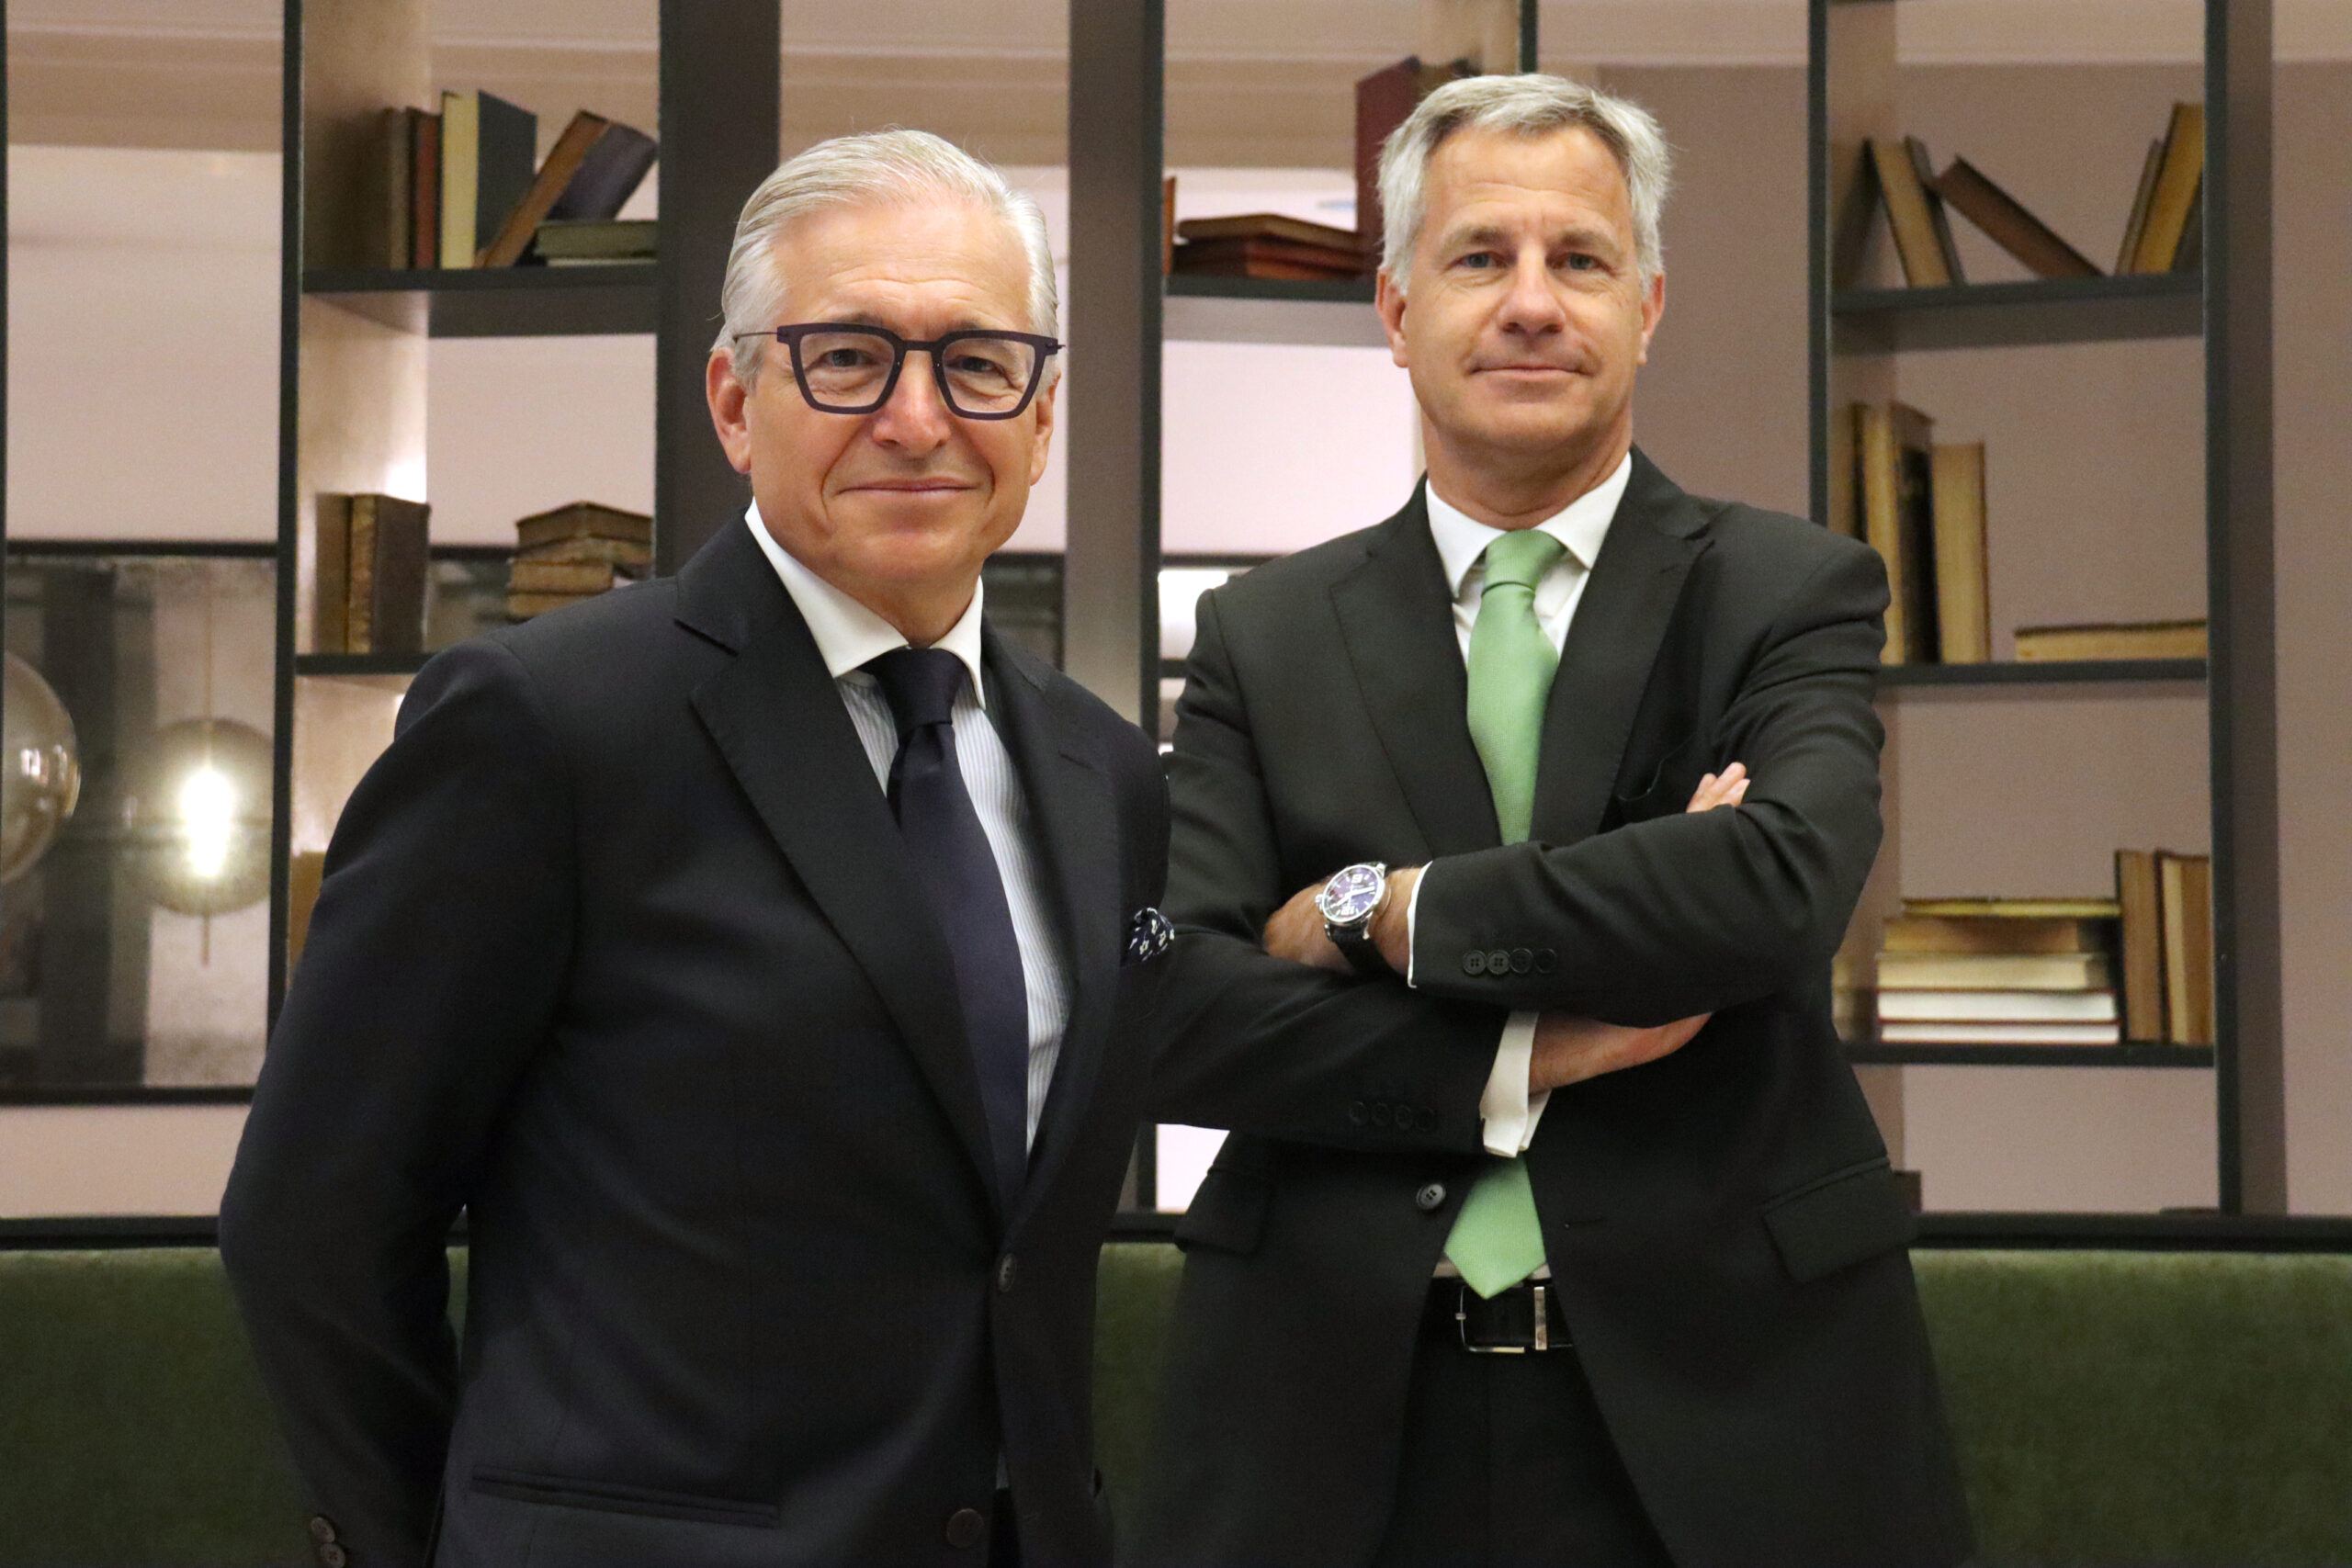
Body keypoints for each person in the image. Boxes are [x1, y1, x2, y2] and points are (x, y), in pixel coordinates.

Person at [220, 130, 1507, 1568]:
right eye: (847, 359)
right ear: (734, 400)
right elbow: (314, 1225)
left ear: (1041, 415)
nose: (915, 419)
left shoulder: (1098, 771)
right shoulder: (547, 726)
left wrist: (1523, 1037)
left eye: (977, 364)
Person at [1129, 75, 1973, 1568]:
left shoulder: (1786, 591)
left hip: (1731, 1416)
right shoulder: (1263, 632)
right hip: (1327, 1422)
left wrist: (1371, 910)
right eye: (1480, 257)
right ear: (1397, 309)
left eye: (1579, 259)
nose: (1532, 303)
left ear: (1647, 307)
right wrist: (1532, 1051)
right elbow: (1185, 1013)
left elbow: (1772, 894)